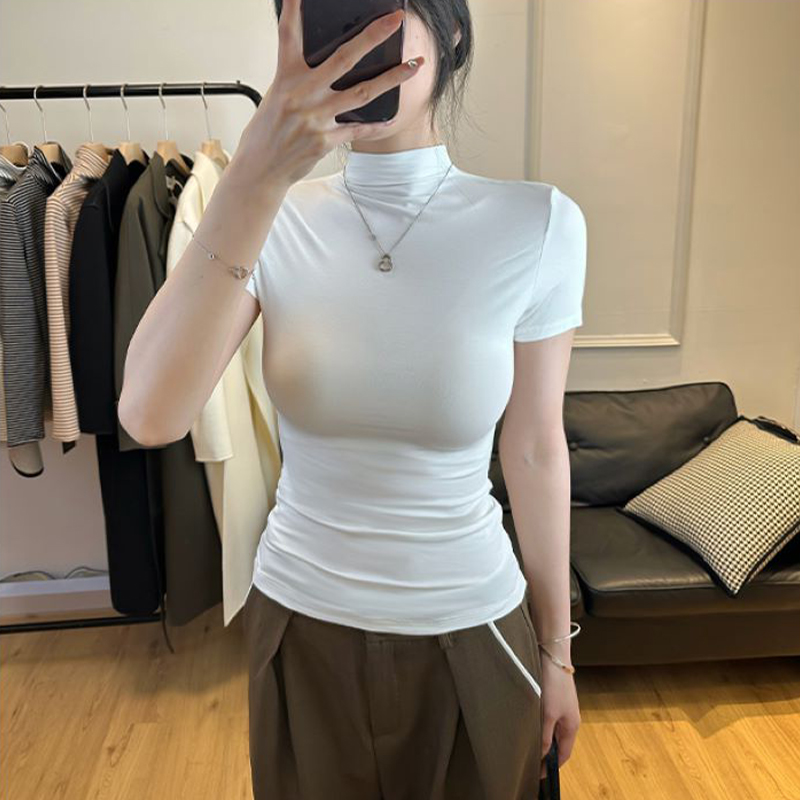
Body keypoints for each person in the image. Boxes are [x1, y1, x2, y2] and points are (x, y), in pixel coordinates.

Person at [118, 0, 584, 797]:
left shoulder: (537, 225)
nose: (355, 44)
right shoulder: (266, 215)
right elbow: (149, 414)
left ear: (452, 32)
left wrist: (557, 655)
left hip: (474, 624)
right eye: (331, 15)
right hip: (301, 623)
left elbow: (537, 447)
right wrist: (256, 172)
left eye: (382, 13)